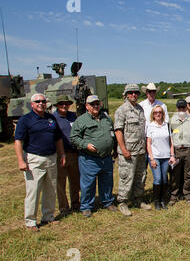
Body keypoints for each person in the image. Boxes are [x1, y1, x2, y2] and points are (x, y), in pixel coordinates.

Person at [14, 94, 65, 231]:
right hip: (34, 159)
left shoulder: (51, 118)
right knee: (33, 190)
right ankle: (30, 221)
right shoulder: (25, 120)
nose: (41, 103)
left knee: (51, 189)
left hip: (51, 157)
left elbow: (58, 138)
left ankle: (48, 216)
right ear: (32, 104)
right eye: (37, 101)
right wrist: (20, 160)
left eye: (43, 101)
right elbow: (18, 140)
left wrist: (62, 154)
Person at [70, 95, 118, 218]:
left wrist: (115, 148)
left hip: (106, 157)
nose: (96, 106)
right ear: (87, 106)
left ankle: (107, 202)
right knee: (88, 183)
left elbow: (112, 134)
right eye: (92, 104)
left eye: (97, 104)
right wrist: (85, 144)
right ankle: (86, 207)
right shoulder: (81, 120)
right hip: (89, 158)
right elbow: (74, 138)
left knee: (107, 182)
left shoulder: (106, 118)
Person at [114, 84, 151, 217]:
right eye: (131, 93)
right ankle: (123, 202)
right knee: (126, 177)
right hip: (128, 152)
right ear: (126, 94)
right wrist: (123, 149)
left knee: (140, 177)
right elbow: (118, 131)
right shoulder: (122, 110)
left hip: (140, 150)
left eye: (136, 93)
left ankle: (138, 199)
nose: (134, 95)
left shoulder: (140, 108)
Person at [53, 95, 80, 216]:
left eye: (66, 104)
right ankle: (64, 207)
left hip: (74, 153)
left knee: (75, 180)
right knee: (61, 182)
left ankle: (76, 204)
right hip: (60, 154)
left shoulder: (73, 116)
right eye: (61, 104)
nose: (64, 106)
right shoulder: (53, 118)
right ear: (57, 105)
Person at [146, 105, 176, 210]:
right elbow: (148, 144)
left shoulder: (167, 126)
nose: (158, 114)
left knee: (164, 179)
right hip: (155, 157)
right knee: (158, 179)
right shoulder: (150, 126)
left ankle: (163, 200)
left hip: (166, 157)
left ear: (163, 114)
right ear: (153, 115)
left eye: (160, 112)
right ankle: (157, 201)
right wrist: (152, 158)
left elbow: (171, 142)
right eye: (155, 112)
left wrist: (172, 155)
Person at [169, 99, 190, 205]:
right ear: (177, 108)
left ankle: (187, 194)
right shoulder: (172, 120)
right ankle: (174, 195)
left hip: (189, 149)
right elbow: (169, 136)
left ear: (186, 108)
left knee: (188, 174)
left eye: (183, 107)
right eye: (179, 108)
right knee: (175, 174)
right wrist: (171, 153)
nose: (181, 110)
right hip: (177, 149)